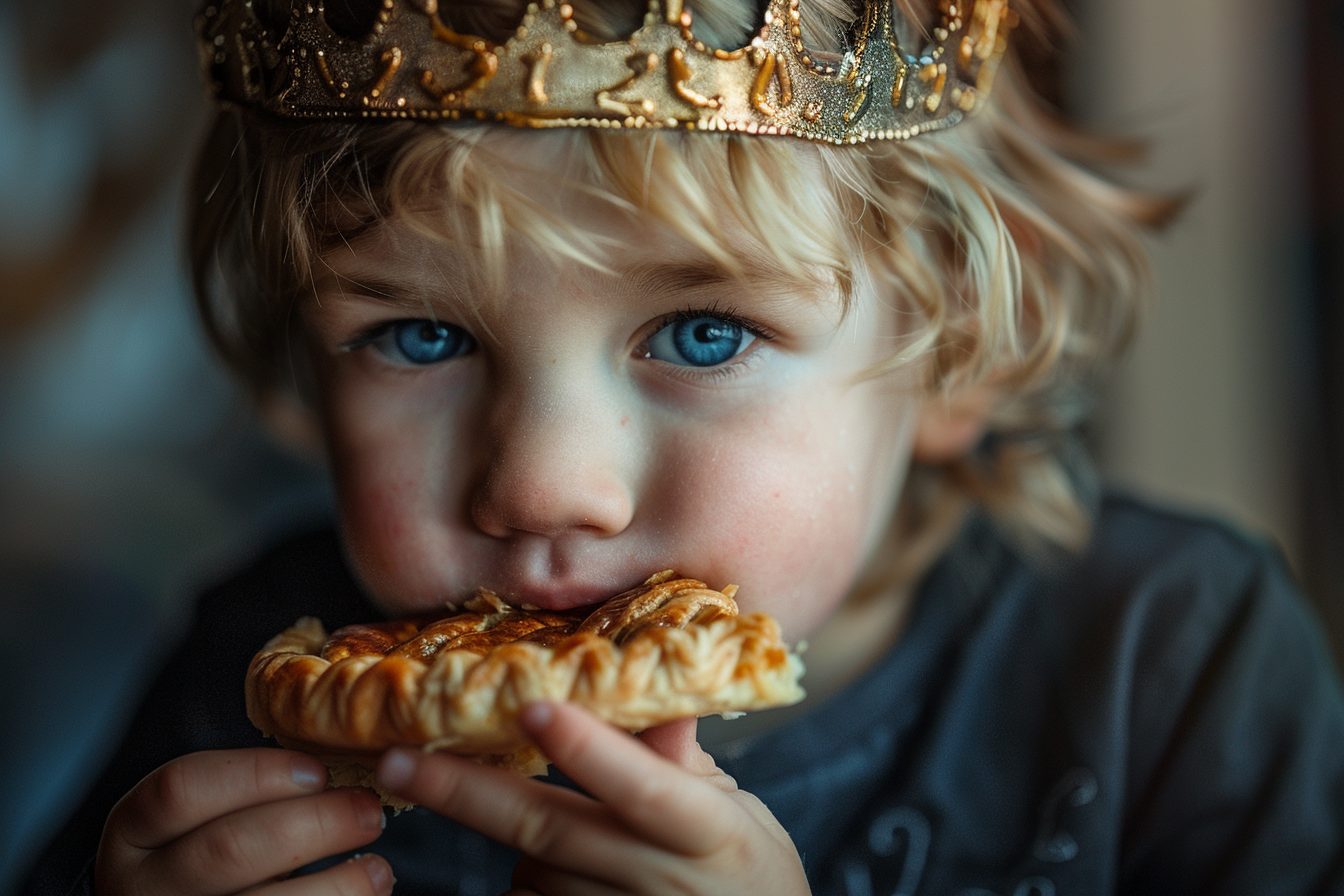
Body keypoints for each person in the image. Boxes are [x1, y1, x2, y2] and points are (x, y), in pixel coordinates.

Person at [22, 0, 1344, 893]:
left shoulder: (1172, 672)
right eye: (421, 339)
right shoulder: (247, 691)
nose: (542, 484)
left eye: (705, 336)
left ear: (958, 347)